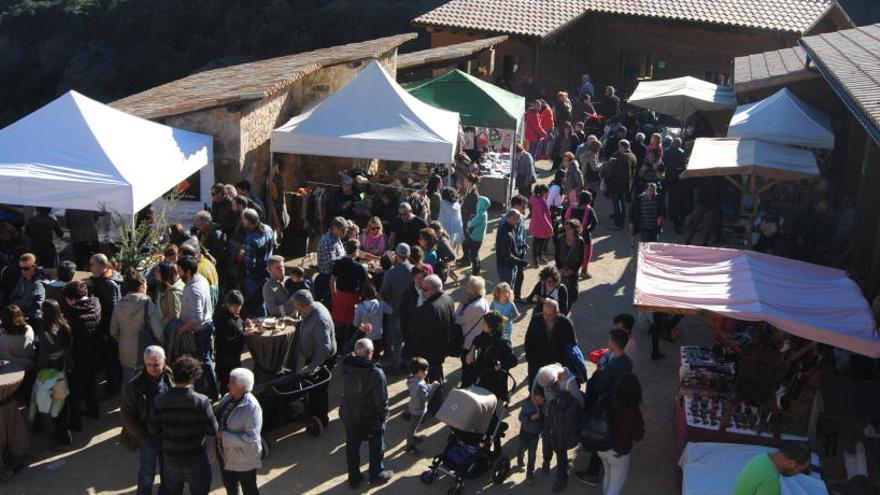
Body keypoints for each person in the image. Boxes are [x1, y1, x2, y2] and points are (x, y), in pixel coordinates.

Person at [149, 356, 218, 495]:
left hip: (170, 457)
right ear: (193, 377)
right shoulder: (201, 401)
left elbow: (153, 429)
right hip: (195, 457)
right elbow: (213, 430)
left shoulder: (159, 400)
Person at [577, 329, 635, 486]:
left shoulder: (612, 367)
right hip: (621, 407)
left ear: (613, 344)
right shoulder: (627, 362)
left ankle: (593, 473)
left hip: (607, 407)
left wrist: (599, 374)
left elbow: (598, 388)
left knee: (599, 439)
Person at [340, 338, 392, 488]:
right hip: (368, 418)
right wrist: (383, 419)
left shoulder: (346, 363)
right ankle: (376, 474)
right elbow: (381, 401)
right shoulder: (376, 373)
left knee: (352, 446)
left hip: (349, 414)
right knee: (376, 445)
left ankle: (354, 478)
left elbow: (347, 348)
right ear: (371, 353)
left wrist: (359, 332)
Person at [120, 345, 172, 495]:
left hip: (168, 435)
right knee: (146, 473)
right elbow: (126, 415)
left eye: (156, 364)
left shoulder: (172, 377)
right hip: (148, 436)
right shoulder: (134, 386)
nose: (152, 368)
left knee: (168, 471)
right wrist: (143, 436)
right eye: (148, 365)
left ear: (164, 361)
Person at [405, 274, 454, 415]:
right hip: (442, 348)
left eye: (425, 289)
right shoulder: (448, 298)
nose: (421, 291)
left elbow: (422, 336)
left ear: (435, 289)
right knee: (437, 375)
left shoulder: (428, 309)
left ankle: (433, 408)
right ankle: (436, 404)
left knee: (432, 380)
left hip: (429, 353)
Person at [534, 363, 584, 493]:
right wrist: (538, 393)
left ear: (556, 381)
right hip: (547, 417)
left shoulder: (568, 381)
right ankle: (546, 460)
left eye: (548, 387)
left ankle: (562, 478)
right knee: (546, 442)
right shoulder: (543, 372)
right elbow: (535, 386)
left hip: (561, 423)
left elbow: (580, 403)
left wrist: (565, 406)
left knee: (561, 449)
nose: (547, 390)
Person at [290, 290, 337, 426]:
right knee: (311, 387)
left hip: (322, 359)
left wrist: (312, 367)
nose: (295, 308)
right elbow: (307, 321)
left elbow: (325, 348)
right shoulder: (313, 307)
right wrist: (296, 322)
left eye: (296, 305)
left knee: (319, 390)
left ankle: (321, 420)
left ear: (302, 305)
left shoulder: (319, 320)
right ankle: (311, 411)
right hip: (314, 356)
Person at [109, 272, 164, 386]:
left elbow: (113, 331)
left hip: (125, 350)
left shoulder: (119, 305)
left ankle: (127, 403)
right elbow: (158, 332)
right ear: (141, 286)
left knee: (127, 382)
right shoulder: (147, 304)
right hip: (144, 351)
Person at [34, 299, 74, 448]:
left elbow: (43, 357)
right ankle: (65, 433)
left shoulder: (46, 333)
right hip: (63, 369)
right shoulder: (65, 326)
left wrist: (37, 370)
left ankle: (63, 437)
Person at [215, 368, 263, 495]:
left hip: (243, 458)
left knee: (249, 489)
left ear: (242, 386)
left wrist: (223, 436)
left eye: (232, 382)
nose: (228, 384)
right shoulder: (228, 397)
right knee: (230, 486)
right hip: (225, 454)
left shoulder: (251, 407)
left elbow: (251, 437)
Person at [176, 255, 218, 400]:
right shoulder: (201, 279)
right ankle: (213, 392)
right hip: (206, 327)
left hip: (199, 331)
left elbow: (197, 317)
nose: (178, 273)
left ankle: (203, 395)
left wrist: (182, 329)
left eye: (180, 270)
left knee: (199, 365)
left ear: (188, 272)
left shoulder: (193, 289)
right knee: (206, 361)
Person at [598, 374, 645, 495]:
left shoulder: (608, 399)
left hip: (601, 447)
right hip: (619, 453)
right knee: (615, 486)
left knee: (608, 474)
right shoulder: (633, 411)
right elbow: (639, 436)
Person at [62, 280, 101, 420]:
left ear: (72, 298)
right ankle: (93, 410)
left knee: (77, 387)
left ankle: (77, 418)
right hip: (95, 349)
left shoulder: (72, 314)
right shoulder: (96, 303)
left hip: (78, 354)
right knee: (91, 382)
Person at [88, 252, 123, 394]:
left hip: (110, 328)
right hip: (109, 328)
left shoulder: (108, 284)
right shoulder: (108, 278)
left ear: (100, 266)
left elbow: (111, 309)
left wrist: (107, 331)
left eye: (91, 264)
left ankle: (113, 388)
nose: (89, 267)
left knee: (112, 360)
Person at [463, 311, 517, 400]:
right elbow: (477, 339)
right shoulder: (485, 334)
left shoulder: (503, 343)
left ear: (491, 326)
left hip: (494, 380)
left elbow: (513, 361)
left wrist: (501, 366)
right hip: (482, 375)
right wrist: (472, 350)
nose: (482, 325)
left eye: (484, 323)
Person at [524, 300, 576, 387]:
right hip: (537, 360)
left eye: (550, 315)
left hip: (556, 362)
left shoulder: (566, 323)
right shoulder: (536, 319)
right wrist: (530, 358)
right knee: (534, 383)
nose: (546, 317)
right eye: (544, 314)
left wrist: (563, 362)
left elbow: (572, 344)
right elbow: (529, 339)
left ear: (557, 312)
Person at [379, 243, 413, 372]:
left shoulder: (390, 273)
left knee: (397, 340)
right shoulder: (414, 271)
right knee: (409, 338)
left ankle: (396, 365)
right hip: (410, 312)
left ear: (396, 256)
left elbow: (384, 293)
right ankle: (408, 363)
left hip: (395, 311)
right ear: (408, 255)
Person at [331, 239, 368, 348]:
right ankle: (348, 349)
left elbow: (332, 279)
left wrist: (334, 294)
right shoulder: (359, 267)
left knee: (338, 325)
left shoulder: (338, 263)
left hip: (340, 296)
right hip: (353, 299)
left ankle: (337, 348)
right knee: (352, 325)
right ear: (356, 251)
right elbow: (364, 285)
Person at [734, 443, 812, 495]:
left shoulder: (762, 457)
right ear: (790, 463)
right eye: (800, 470)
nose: (797, 474)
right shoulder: (771, 481)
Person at [454, 276, 489, 384]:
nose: (466, 286)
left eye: (468, 285)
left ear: (473, 290)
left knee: (467, 365)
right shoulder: (481, 300)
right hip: (474, 338)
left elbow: (457, 319)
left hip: (468, 341)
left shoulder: (474, 305)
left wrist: (461, 304)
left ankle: (467, 385)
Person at [239, 208, 274, 317]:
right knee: (267, 298)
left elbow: (250, 264)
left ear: (248, 222)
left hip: (256, 277)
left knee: (257, 303)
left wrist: (243, 255)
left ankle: (261, 328)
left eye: (243, 220)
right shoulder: (268, 229)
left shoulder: (251, 240)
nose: (242, 222)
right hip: (269, 271)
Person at [214, 290, 246, 394]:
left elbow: (238, 322)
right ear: (229, 305)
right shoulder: (223, 319)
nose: (238, 310)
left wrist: (245, 324)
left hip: (234, 357)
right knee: (227, 384)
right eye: (236, 307)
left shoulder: (232, 313)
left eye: (240, 307)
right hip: (226, 360)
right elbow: (225, 343)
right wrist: (243, 335)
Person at [404, 356, 439, 453]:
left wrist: (428, 386)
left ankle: (412, 438)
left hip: (413, 406)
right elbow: (427, 397)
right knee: (413, 427)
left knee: (413, 425)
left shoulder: (412, 379)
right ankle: (409, 446)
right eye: (425, 370)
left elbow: (422, 390)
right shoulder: (420, 385)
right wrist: (433, 387)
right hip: (419, 409)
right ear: (419, 371)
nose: (427, 372)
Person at [564, 190, 598, 278]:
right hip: (584, 235)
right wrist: (588, 230)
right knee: (586, 254)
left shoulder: (572, 206)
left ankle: (569, 271)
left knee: (571, 253)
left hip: (570, 234)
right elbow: (595, 222)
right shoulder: (589, 209)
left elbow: (566, 218)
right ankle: (584, 271)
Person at [351, 283, 391, 357]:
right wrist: (380, 298)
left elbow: (355, 324)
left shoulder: (359, 307)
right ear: (375, 293)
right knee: (375, 358)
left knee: (363, 358)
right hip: (377, 336)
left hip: (364, 337)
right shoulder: (380, 304)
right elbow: (390, 310)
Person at [314, 217, 346, 308]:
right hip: (327, 279)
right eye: (342, 230)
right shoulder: (327, 241)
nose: (344, 233)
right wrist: (346, 260)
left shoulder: (336, 237)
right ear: (334, 228)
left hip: (334, 277)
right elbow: (331, 262)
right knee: (329, 306)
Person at [606, 140, 636, 229]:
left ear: (623, 147)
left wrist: (612, 164)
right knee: (621, 202)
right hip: (627, 184)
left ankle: (618, 223)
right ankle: (621, 218)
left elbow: (617, 171)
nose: (618, 149)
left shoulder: (623, 157)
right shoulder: (632, 155)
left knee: (617, 203)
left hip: (618, 184)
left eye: (619, 147)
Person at [10, 252, 46, 325]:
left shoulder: (37, 284)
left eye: (26, 268)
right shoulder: (23, 279)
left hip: (33, 321)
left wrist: (17, 300)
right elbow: (12, 297)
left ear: (34, 267)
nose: (22, 271)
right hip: (22, 318)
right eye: (20, 268)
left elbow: (23, 304)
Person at [516, 390, 543, 485]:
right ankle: (520, 461)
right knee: (521, 449)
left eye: (542, 400)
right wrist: (530, 418)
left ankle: (529, 475)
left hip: (535, 435)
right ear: (534, 397)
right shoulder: (527, 404)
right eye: (538, 400)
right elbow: (520, 417)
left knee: (532, 455)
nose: (540, 402)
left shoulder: (544, 407)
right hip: (524, 432)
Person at [556, 219, 585, 306]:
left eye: (569, 228)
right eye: (566, 228)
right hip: (561, 269)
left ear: (575, 229)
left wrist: (573, 270)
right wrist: (560, 268)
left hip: (573, 270)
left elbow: (581, 258)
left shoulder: (580, 241)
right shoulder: (560, 239)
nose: (567, 230)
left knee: (572, 293)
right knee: (560, 290)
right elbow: (556, 255)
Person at [0, 304, 35, 371]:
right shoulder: (29, 328)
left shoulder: (4, 340)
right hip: (31, 364)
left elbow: (4, 358)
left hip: (17, 370)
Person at [509, 195, 530, 302]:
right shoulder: (508, 220)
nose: (524, 209)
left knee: (520, 275)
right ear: (515, 205)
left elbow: (522, 233)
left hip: (520, 250)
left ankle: (517, 297)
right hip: (513, 252)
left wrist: (523, 244)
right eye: (522, 206)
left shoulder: (520, 217)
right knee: (512, 276)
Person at [463, 196, 490, 276]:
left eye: (479, 202)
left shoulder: (482, 214)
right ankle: (466, 260)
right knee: (465, 245)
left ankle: (476, 272)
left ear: (481, 204)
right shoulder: (482, 211)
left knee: (474, 255)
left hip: (475, 238)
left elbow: (471, 224)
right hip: (474, 236)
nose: (477, 203)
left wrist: (468, 222)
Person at [529, 184, 554, 267]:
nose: (548, 194)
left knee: (541, 242)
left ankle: (539, 256)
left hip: (538, 226)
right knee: (537, 243)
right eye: (548, 193)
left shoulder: (539, 200)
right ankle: (535, 260)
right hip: (540, 227)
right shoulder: (540, 203)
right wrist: (550, 228)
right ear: (543, 192)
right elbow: (543, 218)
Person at [155, 261, 184, 329]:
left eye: (158, 270)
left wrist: (160, 326)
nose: (155, 272)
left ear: (165, 273)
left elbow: (174, 316)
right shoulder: (164, 285)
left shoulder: (173, 292)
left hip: (168, 329)